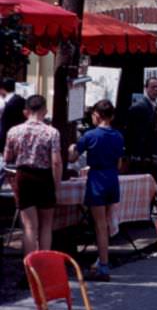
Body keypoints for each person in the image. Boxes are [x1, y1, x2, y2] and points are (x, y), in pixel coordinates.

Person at [69, 99, 124, 281]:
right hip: (112, 178)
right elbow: (120, 162)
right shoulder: (118, 135)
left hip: (97, 179)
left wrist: (71, 147)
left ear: (97, 115)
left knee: (99, 225)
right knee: (106, 224)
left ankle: (103, 266)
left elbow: (72, 157)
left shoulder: (90, 135)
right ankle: (101, 260)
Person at [4, 94, 62, 255]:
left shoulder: (14, 131)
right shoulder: (52, 132)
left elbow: (8, 158)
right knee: (46, 225)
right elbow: (56, 162)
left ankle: (29, 269)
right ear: (45, 110)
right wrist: (57, 186)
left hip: (24, 177)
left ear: (26, 111)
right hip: (44, 178)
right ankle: (44, 268)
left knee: (29, 226)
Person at [125, 75, 157, 180]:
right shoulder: (138, 107)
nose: (156, 90)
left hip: (152, 154)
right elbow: (131, 132)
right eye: (153, 87)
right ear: (146, 88)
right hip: (141, 155)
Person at [0, 77, 27, 152]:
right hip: (22, 140)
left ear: (2, 89)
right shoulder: (22, 100)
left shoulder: (8, 104)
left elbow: (4, 126)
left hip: (9, 142)